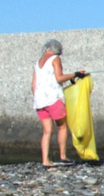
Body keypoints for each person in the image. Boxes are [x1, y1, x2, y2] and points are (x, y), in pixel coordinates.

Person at [31, 39, 85, 167]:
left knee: (47, 131)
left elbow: (33, 85)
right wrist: (75, 74)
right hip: (53, 99)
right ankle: (63, 156)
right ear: (56, 50)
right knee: (62, 127)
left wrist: (38, 97)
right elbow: (59, 77)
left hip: (40, 101)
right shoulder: (55, 59)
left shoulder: (37, 63)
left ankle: (45, 160)